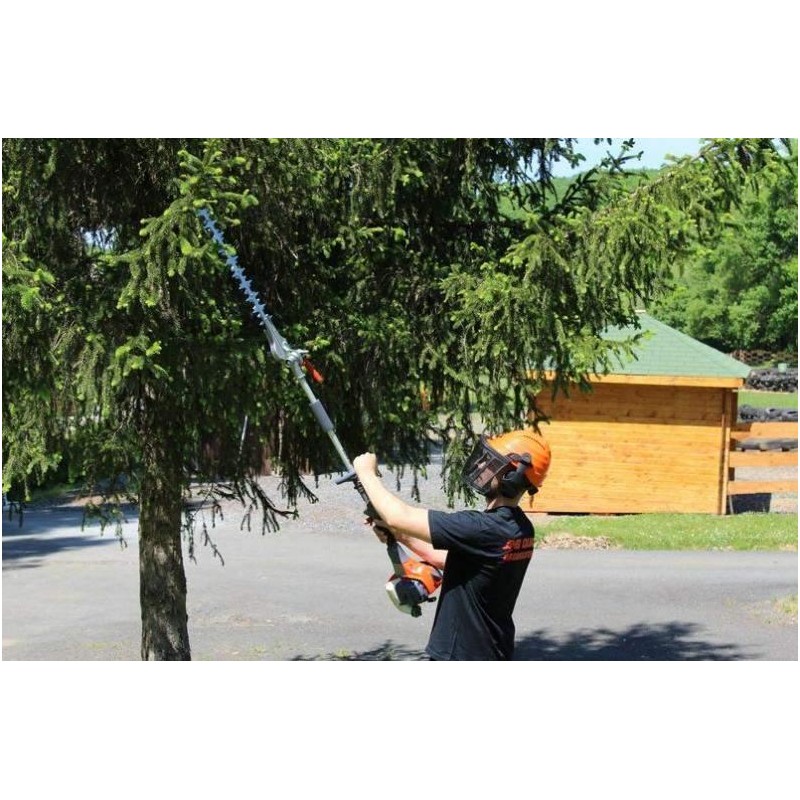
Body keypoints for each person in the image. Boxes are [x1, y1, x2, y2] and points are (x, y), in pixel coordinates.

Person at [352, 429, 551, 661]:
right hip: (492, 650)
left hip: (461, 654)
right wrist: (400, 536)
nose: (482, 466)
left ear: (511, 476)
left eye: (492, 463)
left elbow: (399, 516)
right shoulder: (520, 527)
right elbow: (455, 561)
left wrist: (366, 472)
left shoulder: (483, 528)